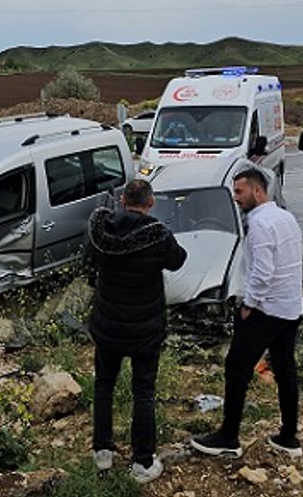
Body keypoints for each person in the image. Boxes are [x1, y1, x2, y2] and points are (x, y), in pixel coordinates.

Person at [191, 168, 303, 460]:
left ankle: (228, 436)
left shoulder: (260, 224)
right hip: (290, 307)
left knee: (236, 368)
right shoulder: (286, 218)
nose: (235, 197)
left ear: (257, 190)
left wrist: (248, 305)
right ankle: (289, 436)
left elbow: (263, 272)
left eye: (240, 191)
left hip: (266, 310)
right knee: (285, 369)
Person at [86, 179, 187, 485]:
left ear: (122, 200)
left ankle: (102, 451)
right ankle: (142, 462)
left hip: (108, 325)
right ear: (150, 202)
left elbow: (88, 262)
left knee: (104, 384)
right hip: (145, 329)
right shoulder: (157, 235)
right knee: (143, 391)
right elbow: (178, 260)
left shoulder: (101, 232)